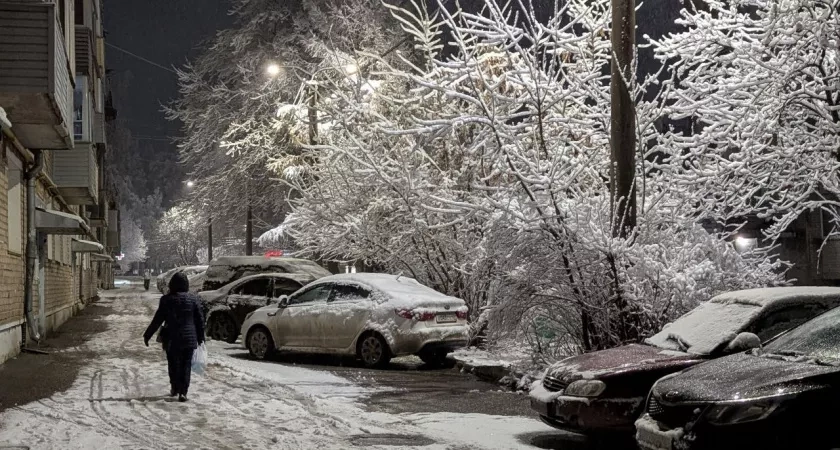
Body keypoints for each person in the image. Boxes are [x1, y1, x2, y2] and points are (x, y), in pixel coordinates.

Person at [143, 272, 205, 402]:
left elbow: (158, 319)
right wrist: (201, 338)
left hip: (172, 338)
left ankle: (175, 388)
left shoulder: (166, 300)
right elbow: (199, 320)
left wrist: (147, 335)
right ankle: (183, 392)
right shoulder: (193, 299)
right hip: (189, 338)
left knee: (173, 364)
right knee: (186, 365)